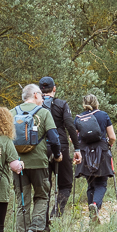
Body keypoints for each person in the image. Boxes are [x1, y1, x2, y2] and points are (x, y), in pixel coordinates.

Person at [13, 83, 61, 232]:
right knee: (42, 196)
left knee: (22, 202)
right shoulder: (44, 113)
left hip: (18, 166)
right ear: (35, 95)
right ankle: (34, 229)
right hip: (39, 163)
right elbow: (54, 138)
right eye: (40, 95)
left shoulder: (12, 113)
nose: (42, 98)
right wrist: (57, 155)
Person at [38, 76, 80, 222]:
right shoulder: (62, 104)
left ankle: (42, 222)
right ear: (54, 88)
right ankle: (56, 214)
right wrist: (77, 148)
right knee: (66, 183)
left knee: (44, 186)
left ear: (40, 90)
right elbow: (70, 126)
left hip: (41, 148)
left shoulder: (36, 106)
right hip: (61, 146)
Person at [73, 93, 116, 221]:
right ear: (97, 103)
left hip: (85, 152)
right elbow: (112, 137)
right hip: (101, 151)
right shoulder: (103, 115)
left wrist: (79, 145)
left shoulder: (78, 118)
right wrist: (109, 143)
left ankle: (92, 215)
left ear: (84, 104)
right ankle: (95, 205)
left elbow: (72, 137)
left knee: (90, 183)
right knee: (101, 183)